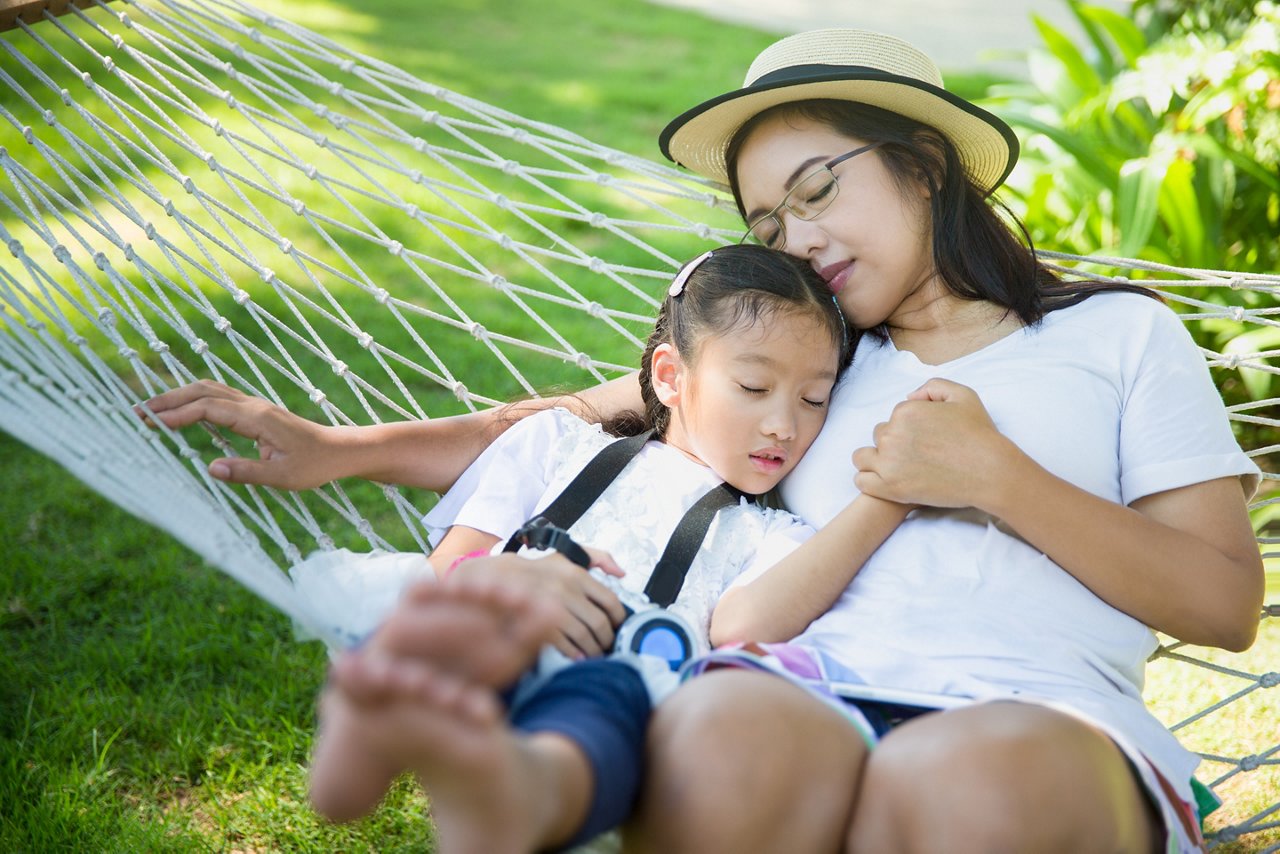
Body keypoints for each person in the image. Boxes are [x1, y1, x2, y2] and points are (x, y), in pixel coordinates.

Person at [140, 28, 1264, 854]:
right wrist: (338, 448)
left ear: (923, 165)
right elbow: (562, 425)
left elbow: (1221, 603)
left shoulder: (1118, 335)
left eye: (818, 188)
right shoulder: (801, 359)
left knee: (965, 777)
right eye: (768, 223)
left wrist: (996, 478)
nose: (800, 238)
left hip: (1040, 708)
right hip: (801, 676)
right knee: (715, 725)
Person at [300, 244, 907, 854]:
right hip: (491, 627)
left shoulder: (769, 535)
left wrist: (890, 498)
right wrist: (506, 583)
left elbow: (744, 623)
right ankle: (376, 728)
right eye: (754, 386)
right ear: (671, 377)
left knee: (614, 699)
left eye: (813, 399)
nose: (784, 423)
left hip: (602, 678)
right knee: (437, 617)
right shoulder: (557, 445)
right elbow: (449, 566)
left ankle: (515, 790)